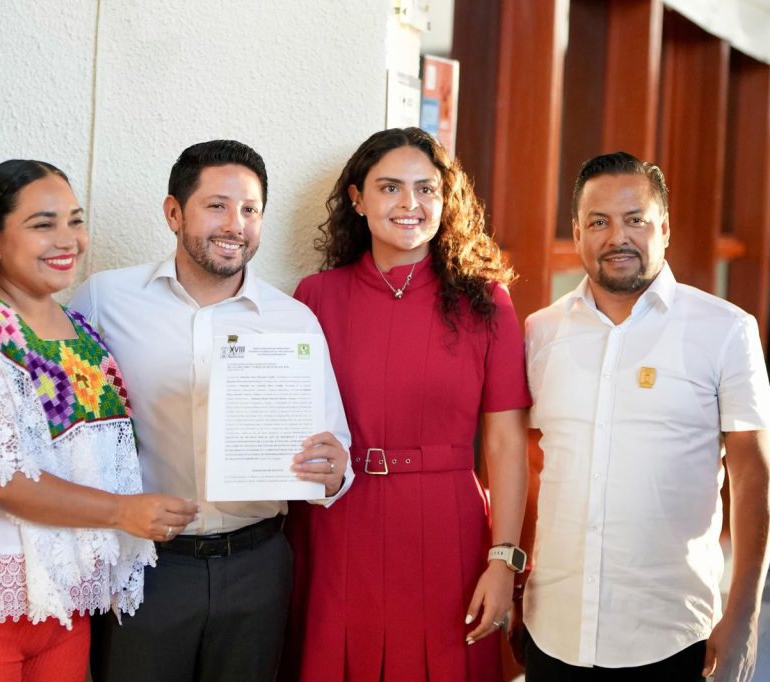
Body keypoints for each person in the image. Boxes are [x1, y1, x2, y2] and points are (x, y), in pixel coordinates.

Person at [70, 139, 353, 682]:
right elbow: (67, 427)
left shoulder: (293, 320)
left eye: (250, 210)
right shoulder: (104, 299)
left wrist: (334, 471)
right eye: (217, 206)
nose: (235, 225)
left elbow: (335, 451)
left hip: (257, 566)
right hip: (146, 564)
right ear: (174, 213)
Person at [0, 160, 197, 682]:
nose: (67, 240)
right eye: (43, 224)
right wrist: (122, 512)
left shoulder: (82, 330)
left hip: (63, 596)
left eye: (75, 221)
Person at [281, 127, 530, 681]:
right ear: (357, 198)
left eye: (426, 188)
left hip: (447, 527)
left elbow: (506, 444)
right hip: (336, 523)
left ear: (446, 199)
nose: (409, 203)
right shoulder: (314, 296)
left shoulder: (487, 302)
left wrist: (504, 560)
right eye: (389, 187)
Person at [522, 151, 770, 681]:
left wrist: (745, 614)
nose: (618, 237)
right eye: (599, 222)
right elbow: (525, 462)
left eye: (635, 219)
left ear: (665, 228)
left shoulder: (726, 330)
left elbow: (753, 475)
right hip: (554, 627)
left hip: (671, 635)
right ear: (577, 233)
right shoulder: (539, 333)